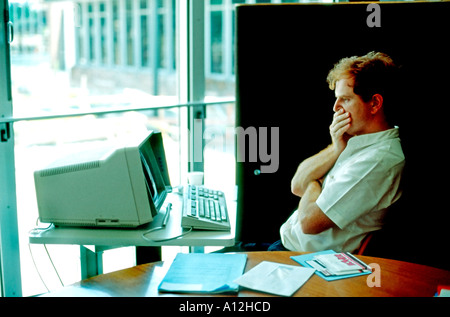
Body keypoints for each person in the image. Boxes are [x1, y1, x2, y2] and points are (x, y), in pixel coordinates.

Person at [270, 51, 405, 253]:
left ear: (375, 103)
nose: (335, 108)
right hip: (286, 247)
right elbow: (297, 185)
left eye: (346, 99)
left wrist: (315, 182)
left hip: (302, 262)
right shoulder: (355, 141)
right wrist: (335, 148)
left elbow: (308, 222)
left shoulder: (379, 160)